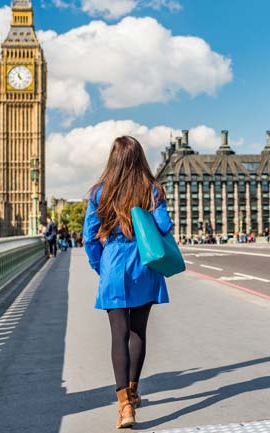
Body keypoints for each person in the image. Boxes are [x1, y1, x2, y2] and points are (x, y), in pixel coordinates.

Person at [82, 136, 174, 429]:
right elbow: (163, 227)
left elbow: (88, 238)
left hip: (113, 264)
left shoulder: (99, 192)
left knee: (118, 335)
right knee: (138, 332)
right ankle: (133, 391)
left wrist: (102, 267)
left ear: (114, 159)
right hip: (143, 265)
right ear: (140, 159)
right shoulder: (151, 189)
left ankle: (124, 406)